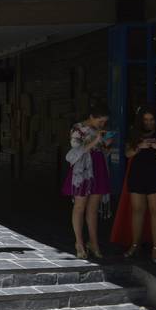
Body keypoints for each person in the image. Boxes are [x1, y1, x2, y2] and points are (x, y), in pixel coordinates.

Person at [111, 106, 156, 263]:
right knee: (137, 210)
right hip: (137, 174)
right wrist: (139, 147)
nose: (149, 123)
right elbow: (127, 153)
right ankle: (135, 245)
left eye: (151, 119)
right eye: (145, 120)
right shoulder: (134, 132)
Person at [62, 104, 113, 259]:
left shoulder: (100, 130)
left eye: (104, 122)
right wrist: (96, 139)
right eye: (100, 121)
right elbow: (76, 150)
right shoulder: (77, 128)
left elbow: (103, 151)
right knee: (80, 206)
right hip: (82, 170)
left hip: (98, 167)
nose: (102, 124)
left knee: (93, 208)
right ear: (91, 117)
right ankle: (79, 243)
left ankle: (94, 242)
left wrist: (106, 145)